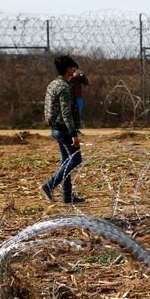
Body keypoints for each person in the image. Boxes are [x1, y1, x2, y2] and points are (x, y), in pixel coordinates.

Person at [40, 55, 84, 204]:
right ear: (68, 69)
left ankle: (67, 195)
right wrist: (74, 133)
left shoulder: (53, 84)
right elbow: (66, 113)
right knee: (76, 159)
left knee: (66, 160)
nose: (76, 70)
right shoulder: (64, 87)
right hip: (64, 129)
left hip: (55, 128)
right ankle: (49, 185)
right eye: (73, 67)